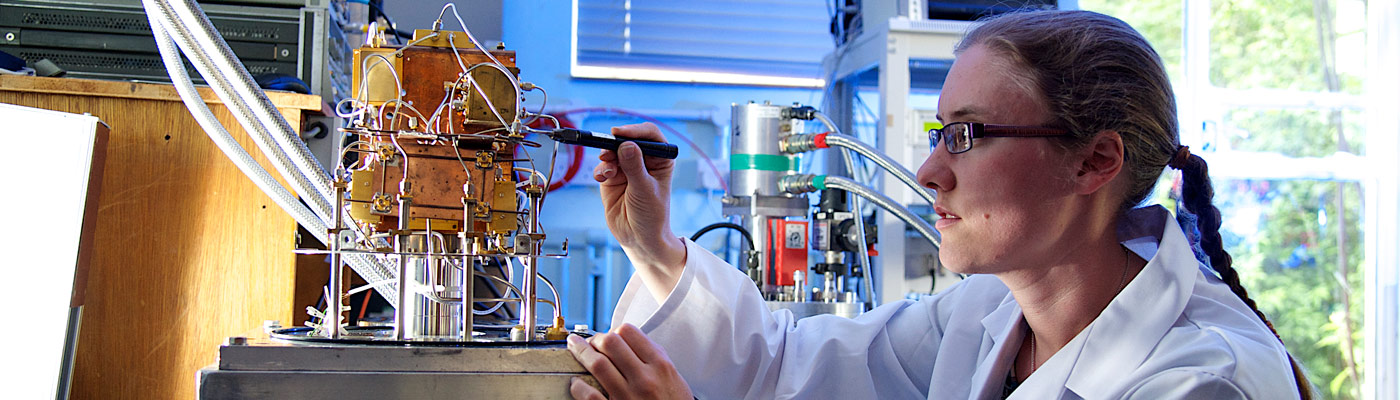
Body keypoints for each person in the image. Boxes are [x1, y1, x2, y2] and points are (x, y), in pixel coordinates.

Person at [565, 9, 1313, 400]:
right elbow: (792, 368)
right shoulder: (988, 313)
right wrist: (656, 248)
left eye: (965, 135)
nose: (928, 172)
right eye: (937, 132)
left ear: (1095, 160)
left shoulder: (1204, 381)